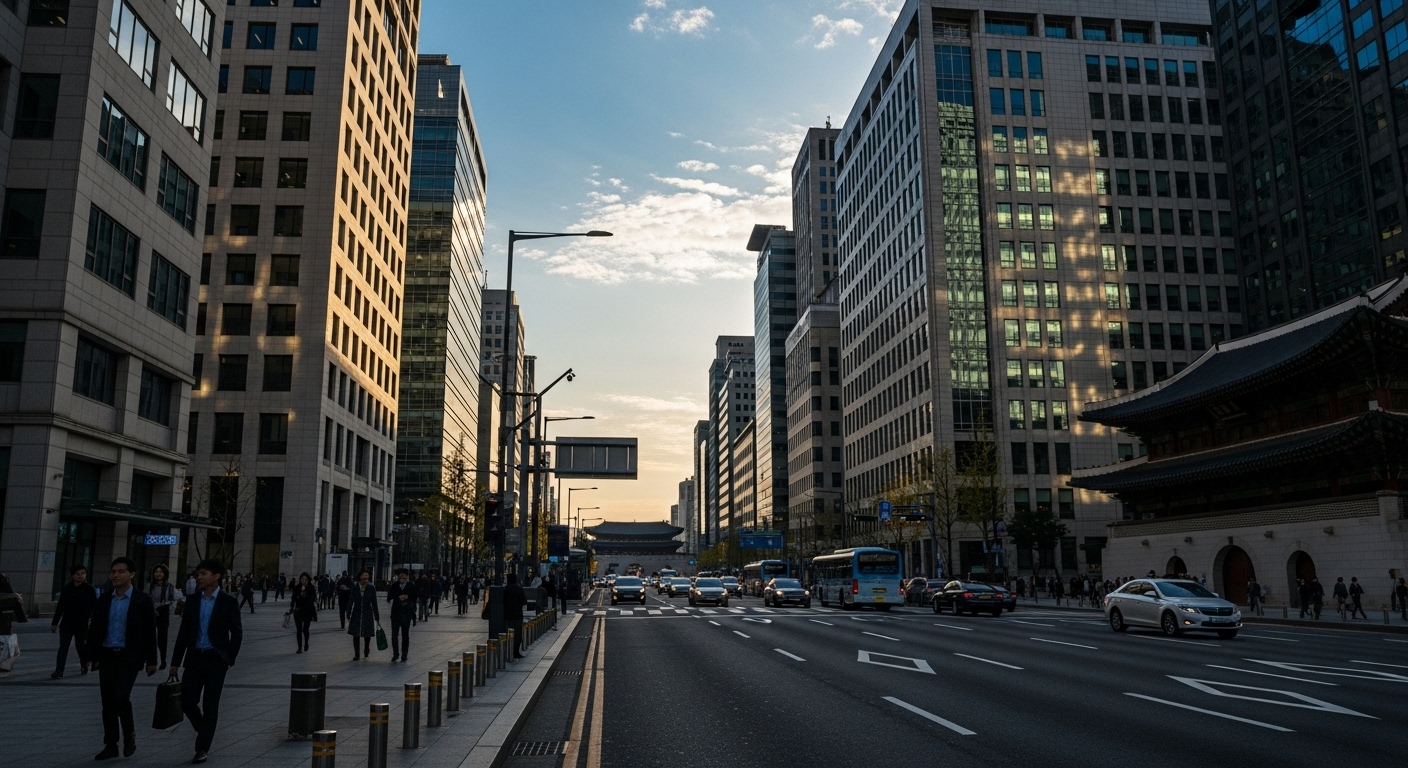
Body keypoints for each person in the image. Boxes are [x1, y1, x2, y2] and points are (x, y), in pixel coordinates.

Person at [170, 558, 242, 765]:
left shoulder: (228, 602)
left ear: (216, 576)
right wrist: (175, 661)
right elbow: (184, 633)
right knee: (187, 701)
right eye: (197, 574)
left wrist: (229, 658)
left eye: (203, 574)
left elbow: (236, 633)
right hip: (194, 658)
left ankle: (202, 747)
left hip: (216, 659)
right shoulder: (192, 601)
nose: (198, 578)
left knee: (211, 704)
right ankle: (204, 729)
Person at [87, 557, 158, 760]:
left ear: (131, 574)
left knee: (120, 697)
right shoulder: (104, 599)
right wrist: (89, 656)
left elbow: (149, 632)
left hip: (129, 657)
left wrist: (152, 660)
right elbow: (95, 630)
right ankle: (111, 744)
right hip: (107, 655)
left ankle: (129, 734)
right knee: (107, 703)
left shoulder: (142, 600)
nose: (115, 575)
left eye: (120, 571)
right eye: (113, 572)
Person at [51, 564, 97, 678]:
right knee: (63, 647)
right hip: (67, 623)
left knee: (80, 646)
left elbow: (94, 606)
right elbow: (60, 606)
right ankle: (59, 670)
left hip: (82, 623)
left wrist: (92, 618)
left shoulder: (89, 589)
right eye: (78, 574)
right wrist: (54, 623)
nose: (81, 576)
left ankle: (84, 663)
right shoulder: (66, 589)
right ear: (72, 576)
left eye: (83, 573)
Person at [147, 564, 179, 669]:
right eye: (156, 572)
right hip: (151, 612)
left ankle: (163, 660)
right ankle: (151, 660)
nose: (158, 574)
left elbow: (172, 599)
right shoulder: (149, 586)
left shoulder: (169, 586)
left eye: (160, 572)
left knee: (162, 637)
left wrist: (164, 605)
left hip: (163, 611)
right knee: (150, 636)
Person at [346, 570, 379, 660]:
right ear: (360, 577)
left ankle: (366, 648)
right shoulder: (355, 587)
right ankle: (357, 654)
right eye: (364, 577)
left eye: (367, 577)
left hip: (367, 612)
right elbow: (351, 600)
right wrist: (348, 613)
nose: (365, 579)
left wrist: (376, 615)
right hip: (357, 612)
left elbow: (374, 602)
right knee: (355, 633)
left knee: (367, 633)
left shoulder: (371, 588)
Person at [385, 568, 416, 662]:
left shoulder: (411, 585)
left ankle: (404, 654)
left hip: (406, 613)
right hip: (396, 613)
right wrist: (397, 597)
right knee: (394, 635)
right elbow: (389, 598)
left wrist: (407, 597)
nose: (402, 577)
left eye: (404, 576)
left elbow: (415, 596)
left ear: (406, 577)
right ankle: (395, 654)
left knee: (405, 635)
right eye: (400, 576)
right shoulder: (394, 586)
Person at [290, 572, 318, 653]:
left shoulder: (311, 588)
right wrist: (291, 607)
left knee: (305, 629)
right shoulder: (297, 588)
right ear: (300, 580)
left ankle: (306, 643)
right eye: (302, 579)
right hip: (298, 611)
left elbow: (313, 599)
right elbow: (293, 599)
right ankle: (299, 647)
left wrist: (306, 594)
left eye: (306, 580)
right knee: (299, 630)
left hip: (307, 611)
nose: (304, 581)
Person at [503, 573, 528, 659]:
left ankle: (507, 651)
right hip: (517, 615)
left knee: (508, 633)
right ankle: (516, 652)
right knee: (517, 634)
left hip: (506, 615)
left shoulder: (505, 589)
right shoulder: (519, 589)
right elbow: (524, 601)